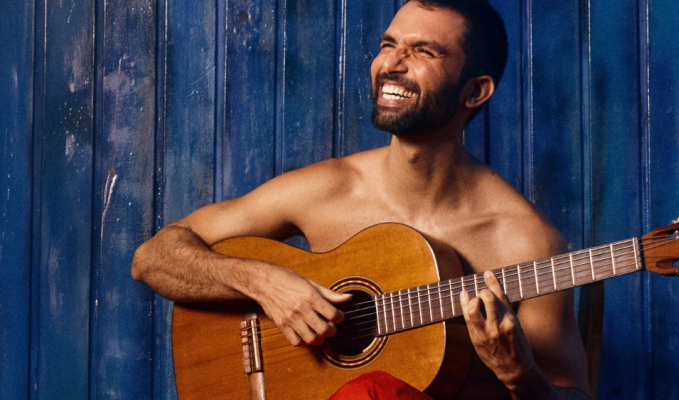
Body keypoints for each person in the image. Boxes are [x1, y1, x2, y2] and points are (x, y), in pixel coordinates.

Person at [131, 0, 590, 398]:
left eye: (423, 51)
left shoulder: (525, 242)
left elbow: (571, 392)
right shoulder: (328, 188)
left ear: (475, 90)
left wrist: (521, 375)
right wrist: (264, 283)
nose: (392, 63)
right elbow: (153, 258)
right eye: (389, 44)